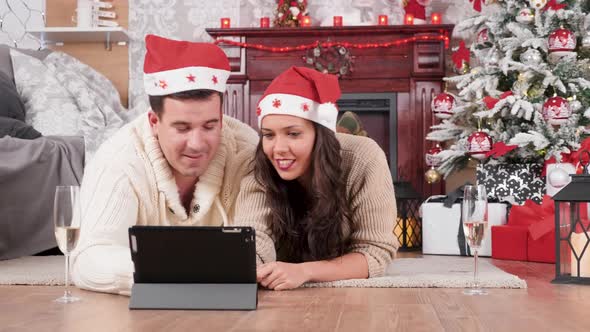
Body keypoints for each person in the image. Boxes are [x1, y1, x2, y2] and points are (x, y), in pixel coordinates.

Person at [71, 35, 258, 295]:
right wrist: (185, 270)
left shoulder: (247, 148)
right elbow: (89, 259)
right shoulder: (118, 159)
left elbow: (265, 244)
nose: (197, 143)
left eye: (210, 126)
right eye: (182, 128)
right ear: (153, 121)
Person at [234, 66, 398, 291]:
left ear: (320, 135)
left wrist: (305, 271)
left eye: (293, 134)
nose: (277, 149)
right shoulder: (261, 164)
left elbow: (375, 253)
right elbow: (253, 236)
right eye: (269, 135)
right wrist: (249, 267)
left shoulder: (364, 158)